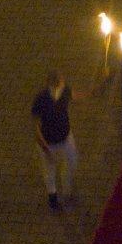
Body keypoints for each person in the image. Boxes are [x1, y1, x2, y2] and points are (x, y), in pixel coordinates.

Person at [31, 71, 88, 208]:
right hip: (49, 143)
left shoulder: (64, 91)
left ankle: (66, 188)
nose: (64, 83)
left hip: (66, 138)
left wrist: (92, 92)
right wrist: (46, 149)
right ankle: (53, 198)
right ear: (54, 85)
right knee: (49, 170)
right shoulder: (41, 99)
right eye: (61, 82)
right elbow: (36, 128)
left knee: (72, 161)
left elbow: (73, 95)